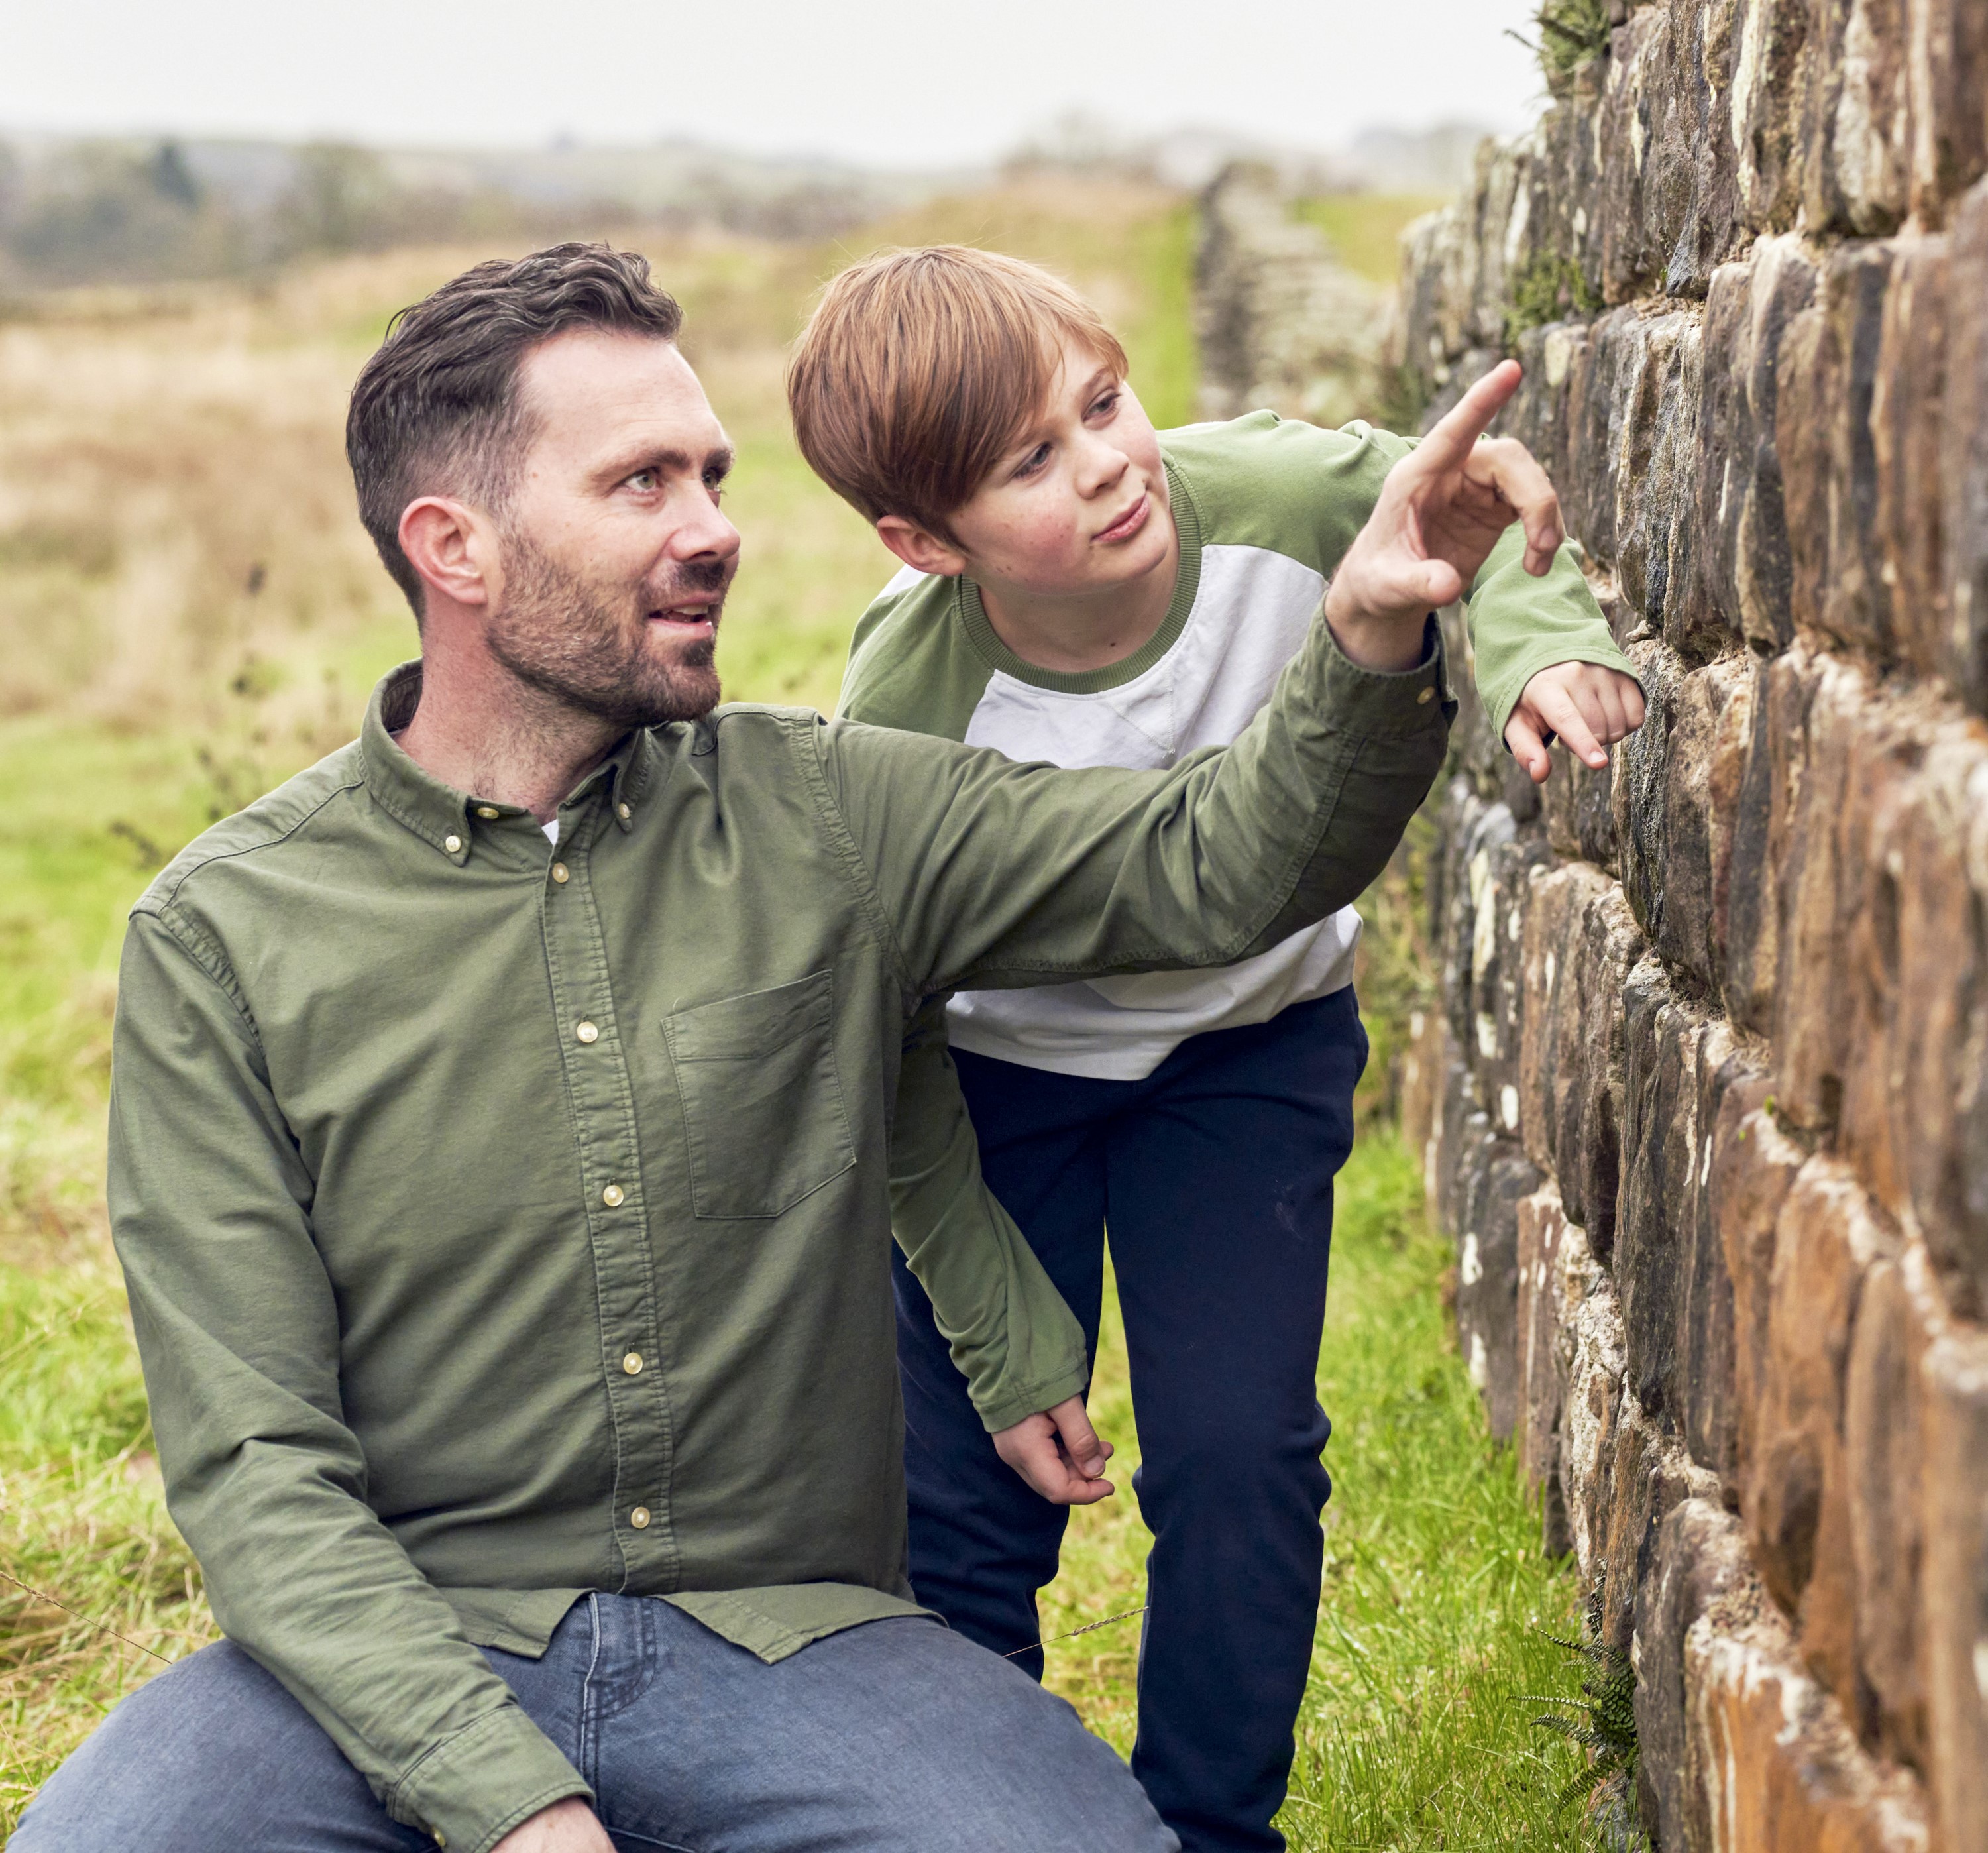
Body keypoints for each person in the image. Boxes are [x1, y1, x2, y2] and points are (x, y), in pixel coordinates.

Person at [13, 237, 1497, 1853]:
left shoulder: (833, 812)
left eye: (712, 474)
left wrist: (1364, 639)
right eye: (642, 483)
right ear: (457, 547)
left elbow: (1218, 864)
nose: (717, 528)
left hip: (797, 1649)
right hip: (368, 1669)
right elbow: (254, 1471)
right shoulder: (221, 938)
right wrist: (511, 1806)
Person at [787, 245, 1645, 1853]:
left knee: (1245, 1460)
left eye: (1102, 403)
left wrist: (1536, 640)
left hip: (1242, 1057)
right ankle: (973, 1820)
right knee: (971, 1515)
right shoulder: (904, 705)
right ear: (924, 543)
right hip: (986, 1093)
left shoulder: (1258, 491)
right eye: (1030, 462)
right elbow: (876, 1038)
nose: (1108, 463)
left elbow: (1439, 496)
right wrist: (1001, 1333)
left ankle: (1207, 1830)